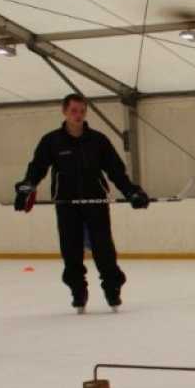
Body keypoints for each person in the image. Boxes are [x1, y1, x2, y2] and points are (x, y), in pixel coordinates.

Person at [13, 93, 148, 313]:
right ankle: (78, 291)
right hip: (66, 205)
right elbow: (37, 168)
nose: (78, 115)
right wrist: (25, 188)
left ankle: (112, 289)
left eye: (82, 111)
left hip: (96, 203)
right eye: (74, 111)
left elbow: (116, 171)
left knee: (104, 250)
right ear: (64, 111)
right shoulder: (51, 141)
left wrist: (132, 192)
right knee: (71, 251)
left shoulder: (98, 140)